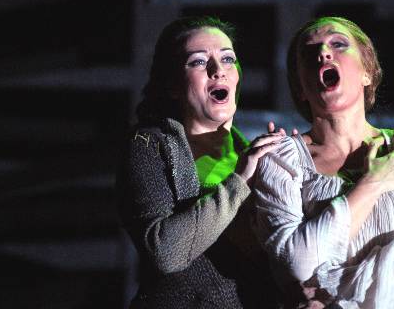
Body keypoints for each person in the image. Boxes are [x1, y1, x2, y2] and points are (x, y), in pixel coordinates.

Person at [253, 16, 394, 309]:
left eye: (338, 44)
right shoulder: (280, 158)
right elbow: (297, 263)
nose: (323, 53)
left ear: (368, 72)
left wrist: (338, 296)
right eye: (308, 52)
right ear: (300, 86)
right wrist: (372, 184)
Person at [118, 16, 283, 309]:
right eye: (197, 62)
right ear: (172, 85)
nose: (217, 70)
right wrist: (240, 181)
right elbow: (166, 252)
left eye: (228, 59)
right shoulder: (149, 145)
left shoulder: (257, 155)